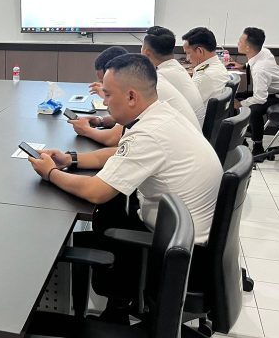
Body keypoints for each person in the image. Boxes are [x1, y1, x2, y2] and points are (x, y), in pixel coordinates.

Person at [29, 54, 221, 319]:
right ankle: (117, 303)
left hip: (176, 257)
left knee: (81, 232)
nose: (105, 101)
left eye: (108, 94)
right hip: (187, 241)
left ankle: (105, 309)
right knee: (111, 209)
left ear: (131, 96)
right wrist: (71, 159)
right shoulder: (161, 114)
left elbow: (96, 191)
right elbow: (118, 153)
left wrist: (51, 173)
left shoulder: (148, 134)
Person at [69, 46, 199, 146]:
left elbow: (113, 139)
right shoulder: (147, 80)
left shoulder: (145, 89)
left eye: (105, 82)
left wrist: (85, 130)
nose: (103, 87)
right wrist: (100, 121)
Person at [234, 27, 279, 156]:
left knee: (254, 109)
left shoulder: (260, 69)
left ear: (248, 48)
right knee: (236, 96)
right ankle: (241, 137)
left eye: (240, 41)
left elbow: (260, 98)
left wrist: (240, 104)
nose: (237, 43)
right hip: (272, 92)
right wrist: (243, 66)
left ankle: (258, 147)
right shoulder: (263, 51)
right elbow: (254, 60)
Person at [141, 26, 205, 126]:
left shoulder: (160, 78)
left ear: (147, 52)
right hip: (194, 129)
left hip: (186, 130)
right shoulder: (177, 69)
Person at [182, 26, 230, 104]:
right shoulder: (218, 66)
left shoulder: (204, 76)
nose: (187, 58)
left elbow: (185, 105)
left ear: (200, 51)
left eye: (188, 53)